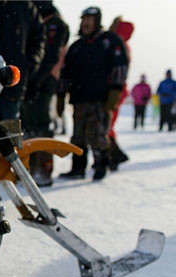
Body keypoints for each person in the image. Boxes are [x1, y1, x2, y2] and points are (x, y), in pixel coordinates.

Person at [59, 6, 128, 181]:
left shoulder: (109, 41)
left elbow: (120, 66)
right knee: (78, 135)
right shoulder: (76, 46)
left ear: (97, 22)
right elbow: (65, 72)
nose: (85, 23)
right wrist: (61, 94)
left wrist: (115, 91)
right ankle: (78, 168)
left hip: (101, 98)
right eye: (83, 20)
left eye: (89, 20)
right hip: (79, 98)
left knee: (97, 134)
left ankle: (101, 166)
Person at [21, 1, 69, 187]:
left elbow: (51, 55)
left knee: (41, 125)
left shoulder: (54, 24)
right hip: (30, 79)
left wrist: (36, 79)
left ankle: (43, 169)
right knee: (28, 125)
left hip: (43, 80)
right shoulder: (35, 21)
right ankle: (29, 167)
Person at [106, 16, 133, 171]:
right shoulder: (121, 45)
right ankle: (114, 155)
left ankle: (115, 155)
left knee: (106, 125)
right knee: (108, 125)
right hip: (117, 90)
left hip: (115, 91)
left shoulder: (118, 46)